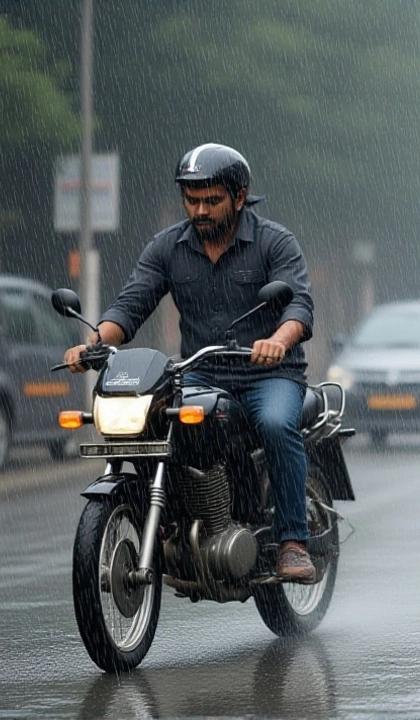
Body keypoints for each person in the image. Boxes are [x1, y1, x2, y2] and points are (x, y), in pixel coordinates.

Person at [63, 143, 318, 582]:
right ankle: (170, 520)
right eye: (191, 199)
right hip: (201, 372)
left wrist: (278, 339)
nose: (200, 210)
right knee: (151, 419)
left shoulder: (274, 242)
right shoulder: (167, 247)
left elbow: (299, 305)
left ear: (239, 197)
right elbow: (131, 304)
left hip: (269, 374)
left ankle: (293, 541)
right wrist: (93, 343)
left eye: (212, 200)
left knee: (276, 425)